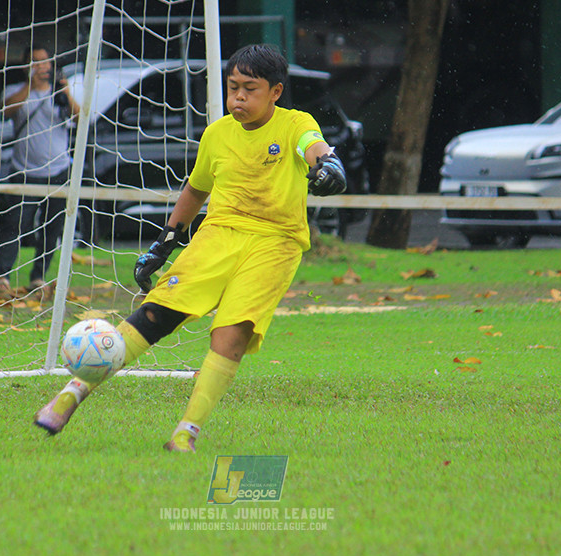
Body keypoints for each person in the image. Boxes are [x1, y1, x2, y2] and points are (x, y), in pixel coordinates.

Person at [33, 44, 348, 451]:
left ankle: (187, 431)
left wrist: (328, 165)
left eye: (249, 89)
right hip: (217, 236)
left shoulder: (294, 124)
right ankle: (70, 395)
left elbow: (315, 145)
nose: (237, 98)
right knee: (157, 312)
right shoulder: (217, 134)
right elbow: (196, 190)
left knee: (230, 334)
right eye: (233, 87)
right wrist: (164, 245)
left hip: (276, 244)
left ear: (274, 92)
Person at [0, 47, 80, 294]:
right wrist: (30, 86)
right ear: (26, 67)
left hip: (59, 171)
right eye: (36, 62)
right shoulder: (15, 91)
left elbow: (80, 120)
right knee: (15, 224)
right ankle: (3, 276)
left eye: (45, 62)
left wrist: (66, 93)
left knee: (52, 226)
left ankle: (38, 276)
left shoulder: (61, 90)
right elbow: (5, 111)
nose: (42, 67)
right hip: (24, 171)